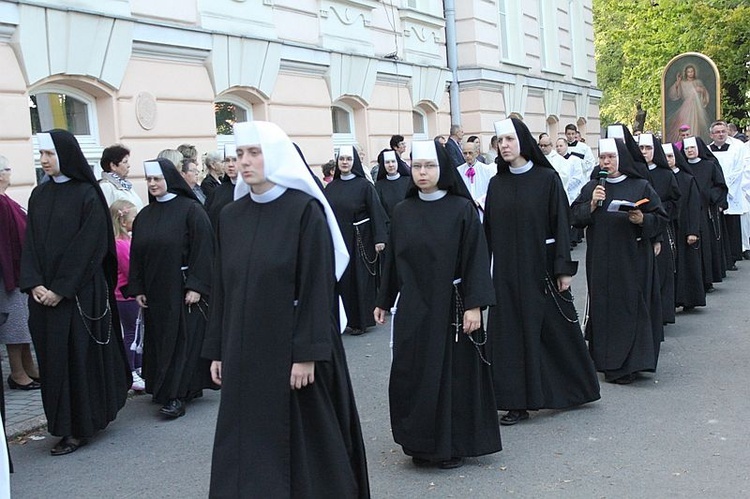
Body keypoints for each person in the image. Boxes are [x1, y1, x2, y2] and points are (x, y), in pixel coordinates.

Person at [203, 121, 369, 497]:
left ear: (274, 155)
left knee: (305, 444)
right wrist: (217, 349)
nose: (244, 162)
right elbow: (223, 286)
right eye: (239, 154)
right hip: (245, 350)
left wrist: (307, 354)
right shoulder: (231, 216)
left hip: (294, 350)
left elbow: (318, 286)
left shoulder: (304, 212)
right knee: (247, 440)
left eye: (253, 153)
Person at [374, 140, 501, 469]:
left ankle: (451, 446)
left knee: (451, 376)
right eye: (417, 166)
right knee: (413, 374)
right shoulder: (402, 211)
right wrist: (383, 300)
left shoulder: (462, 209)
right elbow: (393, 260)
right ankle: (420, 443)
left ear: (442, 169)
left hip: (453, 306)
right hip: (415, 306)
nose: (422, 172)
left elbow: (476, 258)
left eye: (429, 166)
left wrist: (475, 306)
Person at [20, 129, 131, 455]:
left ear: (65, 155)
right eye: (41, 155)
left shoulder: (87, 194)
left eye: (49, 155)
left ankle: (80, 426)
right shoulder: (39, 196)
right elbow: (31, 245)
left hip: (80, 294)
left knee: (78, 361)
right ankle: (62, 423)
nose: (43, 161)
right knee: (54, 362)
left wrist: (62, 289)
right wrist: (35, 283)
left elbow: (90, 247)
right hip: (43, 297)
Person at [485, 118, 599, 425]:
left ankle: (577, 389)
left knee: (555, 333)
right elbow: (488, 233)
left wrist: (563, 268)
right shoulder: (497, 183)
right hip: (507, 273)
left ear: (522, 141)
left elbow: (561, 224)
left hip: (542, 269)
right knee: (509, 337)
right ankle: (515, 401)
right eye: (500, 140)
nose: (504, 145)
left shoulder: (546, 179)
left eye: (509, 139)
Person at [571, 138, 668, 384]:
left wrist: (641, 220)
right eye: (603, 157)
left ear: (622, 158)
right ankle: (605, 360)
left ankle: (632, 363)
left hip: (632, 258)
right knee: (604, 306)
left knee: (630, 307)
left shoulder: (640, 185)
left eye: (611, 157)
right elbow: (574, 216)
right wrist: (592, 204)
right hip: (601, 259)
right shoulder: (593, 186)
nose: (606, 161)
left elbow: (660, 218)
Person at [127, 158, 216, 418]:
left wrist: (197, 285)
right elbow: (137, 255)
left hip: (182, 288)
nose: (152, 184)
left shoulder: (191, 210)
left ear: (169, 179)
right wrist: (139, 287)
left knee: (181, 342)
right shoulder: (145, 215)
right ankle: (165, 387)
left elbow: (204, 250)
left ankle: (177, 396)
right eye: (149, 180)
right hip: (156, 290)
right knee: (160, 340)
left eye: (157, 179)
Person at [325, 145, 388, 336]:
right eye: (342, 159)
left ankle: (361, 321)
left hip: (360, 238)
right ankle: (344, 320)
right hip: (338, 239)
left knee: (359, 280)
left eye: (348, 159)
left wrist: (379, 239)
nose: (345, 162)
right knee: (341, 280)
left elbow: (376, 212)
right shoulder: (331, 187)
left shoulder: (364, 186)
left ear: (354, 162)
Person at [0, 158, 40, 391]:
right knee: (14, 325)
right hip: (9, 275)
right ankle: (17, 373)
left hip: (20, 272)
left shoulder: (7, 200)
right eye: (7, 169)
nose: (10, 172)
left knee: (22, 323)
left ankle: (29, 367)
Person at [638, 133, 681, 325]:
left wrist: (659, 210)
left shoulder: (666, 174)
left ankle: (661, 314)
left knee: (661, 271)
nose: (645, 152)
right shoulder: (635, 172)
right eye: (641, 148)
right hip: (637, 226)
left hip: (660, 227)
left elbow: (676, 200)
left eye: (648, 148)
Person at [680, 136, 728, 291]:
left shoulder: (709, 165)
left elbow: (720, 185)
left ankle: (708, 278)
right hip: (688, 211)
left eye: (692, 148)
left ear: (698, 149)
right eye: (687, 149)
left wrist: (710, 196)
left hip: (706, 212)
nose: (690, 151)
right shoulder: (682, 167)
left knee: (706, 246)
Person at [663, 143, 706, 310]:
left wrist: (693, 231)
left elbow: (694, 206)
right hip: (669, 228)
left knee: (686, 265)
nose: (668, 160)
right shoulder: (661, 177)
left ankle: (689, 299)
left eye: (671, 156)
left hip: (684, 228)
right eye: (665, 156)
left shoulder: (687, 179)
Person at [109, 200, 144, 391]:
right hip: (125, 296)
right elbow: (130, 269)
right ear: (123, 221)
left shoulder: (128, 241)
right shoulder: (120, 245)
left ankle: (138, 366)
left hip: (130, 295)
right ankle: (130, 370)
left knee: (137, 333)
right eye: (133, 217)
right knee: (131, 332)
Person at [708, 120, 750, 269]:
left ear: (727, 132)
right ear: (711, 135)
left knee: (731, 227)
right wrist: (717, 192)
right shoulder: (707, 151)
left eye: (723, 131)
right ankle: (719, 260)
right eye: (717, 132)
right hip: (715, 194)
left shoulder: (736, 149)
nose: (721, 134)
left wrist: (726, 188)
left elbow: (740, 170)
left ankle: (731, 258)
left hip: (732, 192)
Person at [667, 64, 710, 144]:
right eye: (688, 72)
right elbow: (675, 94)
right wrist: (678, 82)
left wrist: (701, 90)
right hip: (686, 106)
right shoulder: (682, 83)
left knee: (696, 124)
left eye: (692, 71)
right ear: (686, 73)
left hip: (697, 107)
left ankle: (695, 142)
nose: (690, 73)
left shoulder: (698, 82)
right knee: (684, 122)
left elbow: (704, 94)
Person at [98, 144, 144, 211]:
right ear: (113, 166)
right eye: (125, 162)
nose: (128, 165)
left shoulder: (125, 185)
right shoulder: (106, 186)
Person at [457, 140, 494, 218]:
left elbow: (492, 190)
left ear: (477, 153)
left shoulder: (486, 170)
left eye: (470, 153)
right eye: (465, 153)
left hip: (482, 210)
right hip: (465, 210)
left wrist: (479, 202)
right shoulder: (459, 171)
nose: (467, 156)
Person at [206, 144, 239, 228]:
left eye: (235, 160)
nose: (230, 164)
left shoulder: (252, 190)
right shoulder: (217, 192)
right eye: (227, 160)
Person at [374, 149, 411, 219]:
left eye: (393, 161)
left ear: (398, 163)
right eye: (387, 162)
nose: (391, 165)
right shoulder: (378, 186)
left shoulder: (409, 182)